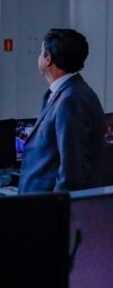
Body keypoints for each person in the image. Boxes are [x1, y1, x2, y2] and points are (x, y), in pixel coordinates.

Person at [19, 29, 107, 192]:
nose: (39, 57)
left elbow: (72, 170)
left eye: (41, 52)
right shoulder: (67, 93)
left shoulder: (71, 100)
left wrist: (58, 205)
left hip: (50, 203)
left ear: (48, 59)